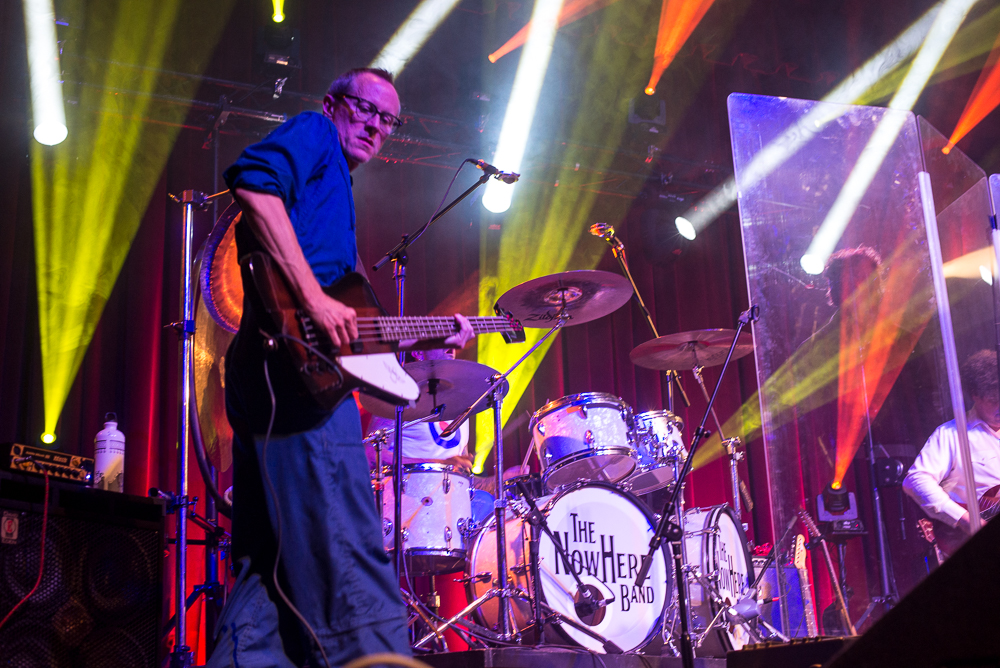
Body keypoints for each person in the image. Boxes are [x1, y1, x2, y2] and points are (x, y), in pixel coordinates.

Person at [207, 68, 473, 667]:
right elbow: (253, 182)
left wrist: (433, 336)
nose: (377, 126)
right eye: (367, 109)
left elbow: (352, 331)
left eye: (389, 120)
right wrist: (313, 298)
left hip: (271, 376)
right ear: (333, 104)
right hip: (297, 380)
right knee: (346, 544)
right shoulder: (315, 133)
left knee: (264, 577)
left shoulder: (330, 196)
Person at [903, 349, 1000, 548]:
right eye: (993, 401)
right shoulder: (951, 434)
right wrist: (964, 519)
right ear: (975, 395)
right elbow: (916, 480)